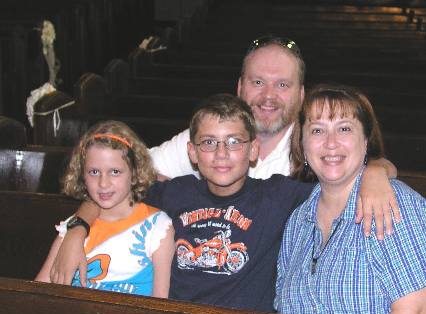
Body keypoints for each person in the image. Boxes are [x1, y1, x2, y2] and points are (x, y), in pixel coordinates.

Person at [47, 94, 395, 312]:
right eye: (209, 143)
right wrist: (77, 229)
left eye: (234, 142)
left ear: (254, 149)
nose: (222, 154)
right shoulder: (173, 193)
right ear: (192, 153)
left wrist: (376, 172)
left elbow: (352, 178)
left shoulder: (278, 194)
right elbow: (106, 193)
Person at [274, 84, 426, 314]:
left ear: (366, 142)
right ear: (302, 144)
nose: (330, 143)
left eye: (344, 128)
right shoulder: (298, 222)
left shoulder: (393, 203)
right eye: (317, 130)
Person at [148, 35, 400, 238]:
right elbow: (133, 164)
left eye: (282, 85)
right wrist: (173, 192)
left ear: (301, 95)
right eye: (258, 82)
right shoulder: (213, 138)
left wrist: (376, 171)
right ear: (239, 88)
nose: (268, 96)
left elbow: (360, 163)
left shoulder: (313, 145)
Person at [35, 121, 175, 298]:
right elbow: (38, 292)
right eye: (94, 172)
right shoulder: (73, 226)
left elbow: (161, 304)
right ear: (81, 175)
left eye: (115, 172)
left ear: (134, 172)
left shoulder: (158, 228)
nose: (103, 183)